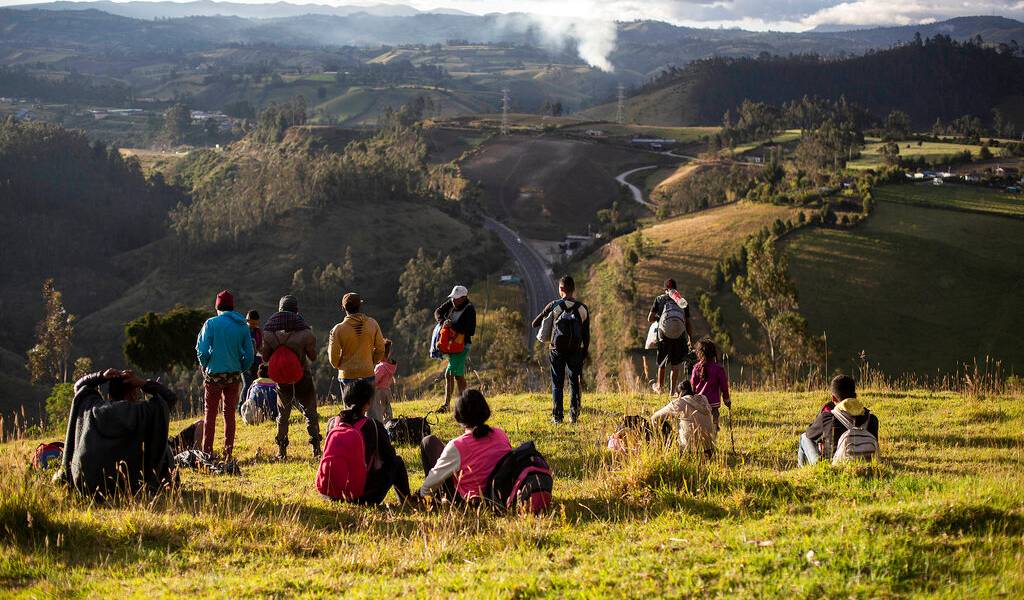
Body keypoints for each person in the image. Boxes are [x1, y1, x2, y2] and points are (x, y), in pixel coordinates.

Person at [54, 369, 177, 499]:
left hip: (87, 487)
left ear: (109, 394)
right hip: (131, 489)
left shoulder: (92, 408)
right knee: (165, 446)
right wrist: (143, 383)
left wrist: (100, 376)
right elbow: (169, 398)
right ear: (133, 395)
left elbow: (78, 387)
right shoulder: (142, 413)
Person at [322, 379, 411, 505]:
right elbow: (389, 456)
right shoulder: (373, 425)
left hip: (331, 494)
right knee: (397, 462)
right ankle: (406, 501)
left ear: (346, 400)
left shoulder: (332, 423)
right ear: (368, 403)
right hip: (362, 497)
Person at [418, 389, 511, 502]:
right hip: (501, 495)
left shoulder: (457, 446)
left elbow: (432, 481)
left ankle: (432, 500)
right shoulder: (501, 435)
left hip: (471, 502)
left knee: (428, 441)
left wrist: (422, 494)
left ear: (458, 415)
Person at [196, 290, 254, 459]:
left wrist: (205, 365)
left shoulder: (211, 324)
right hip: (234, 375)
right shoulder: (242, 325)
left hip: (214, 374)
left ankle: (207, 452)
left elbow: (202, 350)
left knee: (210, 413)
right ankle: (228, 452)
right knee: (229, 414)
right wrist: (241, 368)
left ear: (217, 307)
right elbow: (249, 355)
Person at [262, 294, 320, 459]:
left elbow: (265, 357)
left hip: (282, 380)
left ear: (279, 310)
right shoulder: (305, 332)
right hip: (303, 377)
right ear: (296, 311)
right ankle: (316, 447)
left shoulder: (270, 332)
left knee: (283, 415)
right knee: (310, 413)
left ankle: (281, 450)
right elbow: (313, 356)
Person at [531, 275, 589, 424]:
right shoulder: (583, 308)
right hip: (576, 351)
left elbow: (534, 324)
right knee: (574, 383)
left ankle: (557, 417)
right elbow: (586, 334)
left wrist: (546, 313)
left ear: (561, 289)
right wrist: (584, 352)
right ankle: (573, 416)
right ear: (573, 289)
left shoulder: (554, 305)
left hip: (556, 350)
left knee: (557, 384)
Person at [798, 375, 880, 466]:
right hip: (866, 467)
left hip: (834, 468)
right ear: (855, 396)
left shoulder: (828, 418)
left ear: (833, 398)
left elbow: (810, 434)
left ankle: (804, 472)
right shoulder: (872, 419)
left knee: (804, 437)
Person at [329, 292, 386, 393]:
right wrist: (371, 362)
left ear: (343, 308)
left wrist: (341, 366)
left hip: (346, 375)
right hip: (367, 373)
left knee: (350, 407)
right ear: (360, 306)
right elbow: (381, 348)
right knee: (370, 407)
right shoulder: (372, 324)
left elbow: (333, 357)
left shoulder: (337, 329)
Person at [434, 285, 477, 412]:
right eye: (453, 298)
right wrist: (443, 321)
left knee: (449, 374)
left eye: (457, 298)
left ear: (464, 297)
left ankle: (446, 405)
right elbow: (438, 312)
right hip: (451, 346)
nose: (454, 300)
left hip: (462, 346)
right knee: (458, 376)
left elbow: (470, 330)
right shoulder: (452, 303)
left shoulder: (470, 310)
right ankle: (465, 403)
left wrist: (453, 325)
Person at [648, 279, 694, 394]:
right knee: (676, 364)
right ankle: (672, 391)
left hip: (664, 335)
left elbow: (650, 318)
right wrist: (690, 339)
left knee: (662, 363)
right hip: (679, 335)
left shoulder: (659, 299)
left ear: (665, 290)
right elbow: (687, 323)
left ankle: (659, 387)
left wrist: (659, 317)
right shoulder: (682, 302)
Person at [650, 381, 716, 457]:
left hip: (690, 450)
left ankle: (664, 449)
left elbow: (654, 417)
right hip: (710, 449)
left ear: (679, 394)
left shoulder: (679, 402)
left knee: (661, 422)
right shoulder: (704, 399)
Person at [690, 338, 730, 431]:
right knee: (713, 428)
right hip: (713, 405)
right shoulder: (719, 369)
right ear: (713, 353)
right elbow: (724, 387)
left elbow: (692, 386)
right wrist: (726, 399)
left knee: (700, 428)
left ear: (699, 353)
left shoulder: (696, 368)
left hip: (698, 404)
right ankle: (712, 443)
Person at [241, 309, 263, 405]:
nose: (253, 325)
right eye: (251, 323)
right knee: (247, 384)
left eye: (255, 323)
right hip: (245, 362)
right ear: (247, 320)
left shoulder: (258, 332)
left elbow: (259, 346)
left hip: (256, 361)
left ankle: (254, 404)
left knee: (255, 384)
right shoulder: (242, 331)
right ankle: (242, 405)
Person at [372, 339, 398, 423]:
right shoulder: (390, 366)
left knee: (379, 410)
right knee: (387, 408)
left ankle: (382, 424)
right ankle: (389, 422)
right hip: (387, 390)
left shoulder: (381, 367)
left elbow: (375, 380)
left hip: (379, 391)